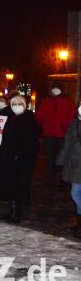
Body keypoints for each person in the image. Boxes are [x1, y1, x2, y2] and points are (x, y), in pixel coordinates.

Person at [0, 95, 39, 223]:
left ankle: (18, 212)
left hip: (22, 159)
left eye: (19, 103)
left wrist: (22, 154)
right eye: (14, 104)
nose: (16, 106)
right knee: (8, 184)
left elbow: (32, 141)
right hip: (8, 157)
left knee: (18, 185)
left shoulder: (29, 118)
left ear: (24, 105)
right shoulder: (9, 117)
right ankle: (12, 210)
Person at [35, 84, 76, 187]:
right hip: (49, 134)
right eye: (54, 89)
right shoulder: (46, 102)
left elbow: (72, 118)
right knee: (50, 158)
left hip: (62, 135)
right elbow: (39, 117)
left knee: (62, 158)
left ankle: (62, 179)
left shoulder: (67, 103)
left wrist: (65, 127)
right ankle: (51, 180)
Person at [57, 101, 81, 238]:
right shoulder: (74, 124)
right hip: (76, 165)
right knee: (76, 194)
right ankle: (79, 222)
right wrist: (61, 160)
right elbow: (67, 143)